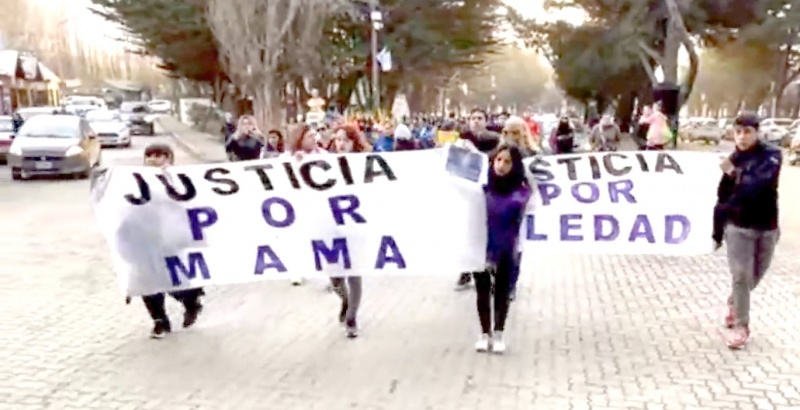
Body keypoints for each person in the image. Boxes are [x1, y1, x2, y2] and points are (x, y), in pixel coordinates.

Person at [714, 112, 781, 350]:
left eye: (747, 132)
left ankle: (734, 302)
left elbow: (759, 184)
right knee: (741, 275)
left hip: (767, 226)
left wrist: (733, 172)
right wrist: (717, 232)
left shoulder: (772, 155)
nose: (742, 137)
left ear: (757, 132)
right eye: (738, 132)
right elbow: (722, 197)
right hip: (738, 226)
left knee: (755, 275)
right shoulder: (731, 158)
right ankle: (742, 326)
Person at [136, 143, 205, 339]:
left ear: (168, 158)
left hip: (173, 238)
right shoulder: (135, 178)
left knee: (175, 281)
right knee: (147, 281)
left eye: (158, 156)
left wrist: (169, 179)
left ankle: (192, 301)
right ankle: (160, 321)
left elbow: (191, 202)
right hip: (146, 237)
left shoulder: (180, 178)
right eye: (148, 155)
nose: (152, 160)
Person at [474, 144, 532, 354]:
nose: (501, 165)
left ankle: (498, 332)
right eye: (498, 160)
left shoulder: (522, 190)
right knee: (481, 290)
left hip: (507, 247)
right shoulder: (482, 187)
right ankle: (484, 333)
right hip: (481, 245)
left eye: (507, 162)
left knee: (501, 291)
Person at [329, 124, 373, 338]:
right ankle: (345, 301)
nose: (341, 144)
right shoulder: (325, 162)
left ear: (354, 142)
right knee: (335, 276)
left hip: (355, 226)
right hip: (331, 226)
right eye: (337, 140)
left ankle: (352, 317)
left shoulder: (365, 163)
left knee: (354, 272)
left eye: (345, 140)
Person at [455, 108, 502, 291]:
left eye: (479, 118)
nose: (475, 121)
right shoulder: (461, 139)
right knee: (470, 235)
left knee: (490, 235)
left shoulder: (495, 140)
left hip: (490, 193)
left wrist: (474, 153)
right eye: (472, 118)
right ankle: (467, 272)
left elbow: (495, 160)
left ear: (485, 121)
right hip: (468, 194)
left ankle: (491, 273)